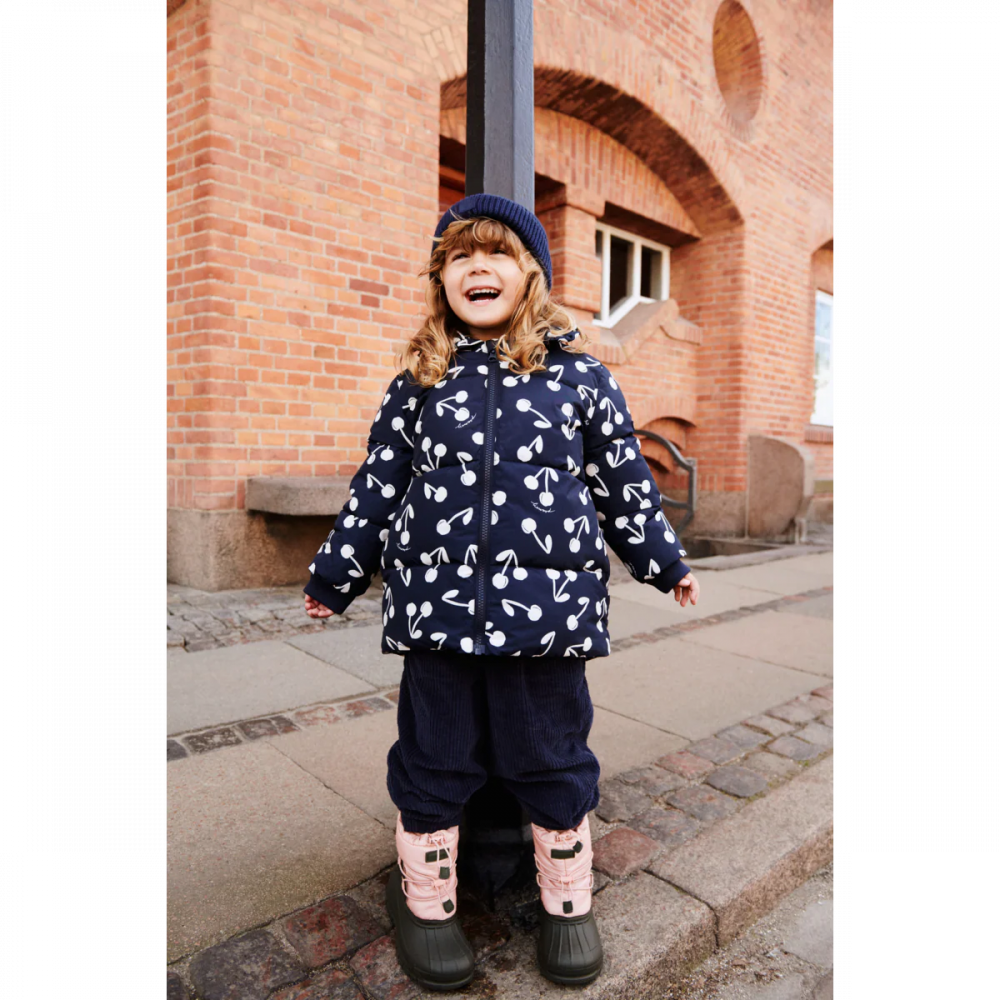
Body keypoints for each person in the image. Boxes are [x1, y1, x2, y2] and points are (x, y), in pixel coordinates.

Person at [303, 193, 700, 990]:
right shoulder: (419, 381)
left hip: (546, 621)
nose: (477, 267)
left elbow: (624, 483)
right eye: (460, 256)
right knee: (435, 756)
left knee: (549, 755)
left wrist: (664, 561)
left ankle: (567, 898)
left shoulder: (580, 379)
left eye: (497, 254)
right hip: (438, 617)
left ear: (531, 277)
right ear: (441, 279)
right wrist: (336, 575)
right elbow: (377, 488)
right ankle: (427, 897)